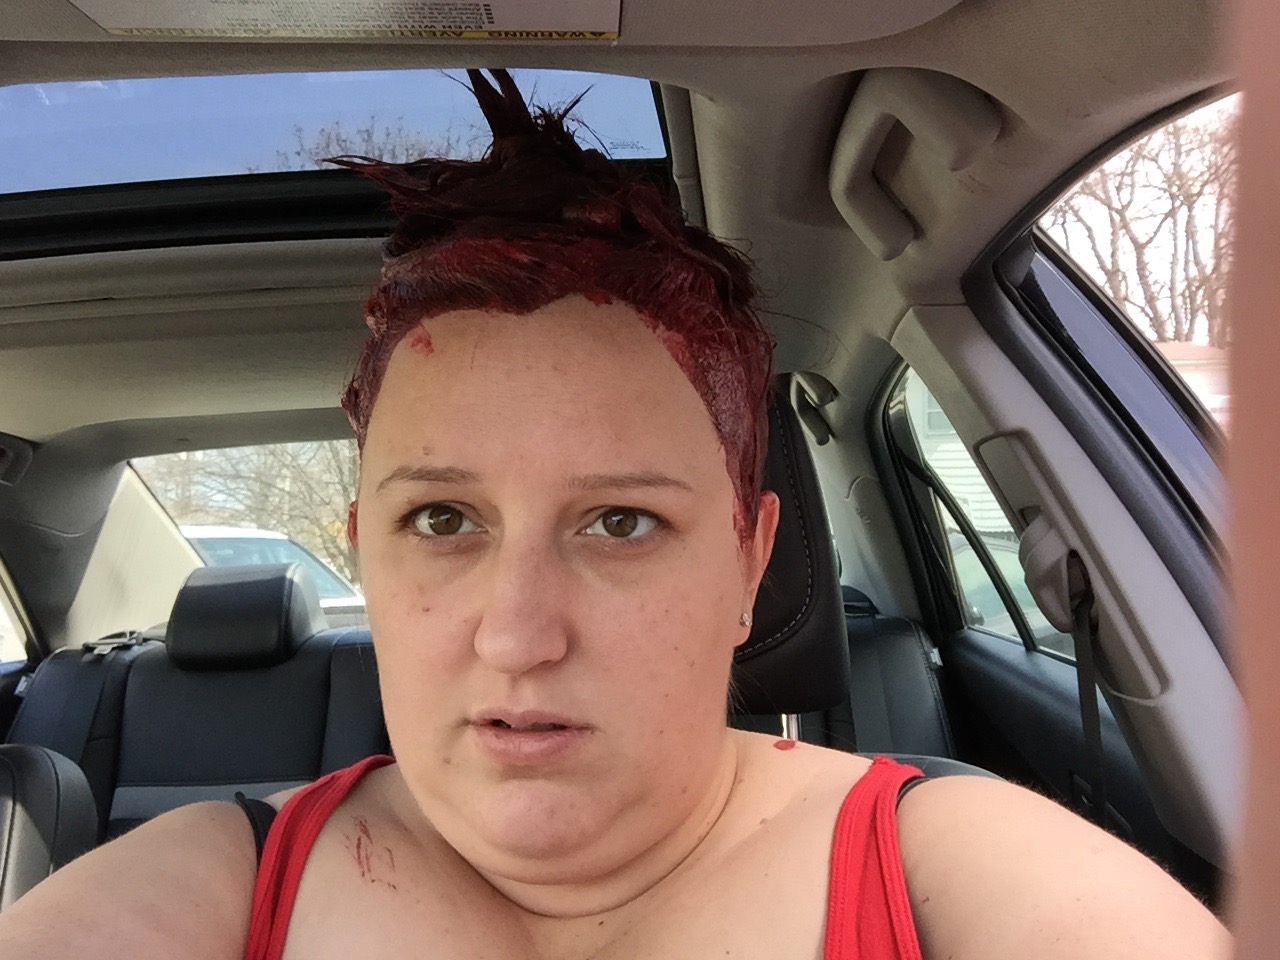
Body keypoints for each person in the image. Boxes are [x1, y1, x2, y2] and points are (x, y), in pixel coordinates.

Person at [0, 70, 1227, 960]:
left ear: (747, 563)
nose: (517, 635)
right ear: (362, 552)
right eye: (442, 520)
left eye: (621, 523)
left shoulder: (954, 869)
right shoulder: (204, 884)